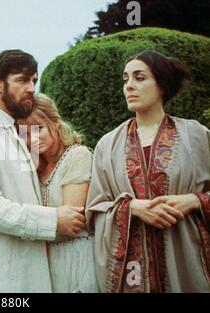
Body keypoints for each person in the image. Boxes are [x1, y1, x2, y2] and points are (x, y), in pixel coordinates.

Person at [0, 50, 84, 292]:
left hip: (27, 272)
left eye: (34, 80)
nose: (32, 88)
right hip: (0, 279)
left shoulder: (11, 129)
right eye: (22, 80)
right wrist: (52, 220)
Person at [86, 50, 210, 292]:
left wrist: (194, 201)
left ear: (162, 85)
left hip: (187, 261)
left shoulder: (196, 136)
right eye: (125, 79)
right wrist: (131, 208)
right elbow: (94, 209)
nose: (129, 86)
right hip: (132, 272)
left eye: (139, 78)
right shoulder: (107, 145)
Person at [16, 93, 99, 292]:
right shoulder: (34, 167)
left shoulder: (77, 156)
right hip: (44, 264)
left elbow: (72, 224)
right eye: (25, 134)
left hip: (75, 259)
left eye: (38, 130)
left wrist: (23, 229)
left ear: (55, 122)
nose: (32, 140)